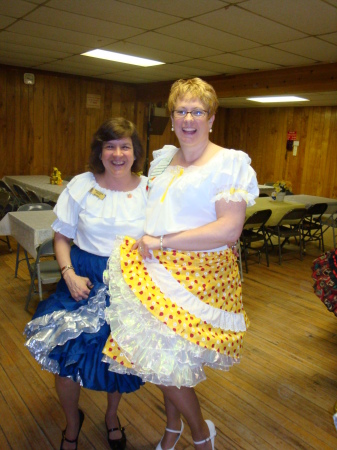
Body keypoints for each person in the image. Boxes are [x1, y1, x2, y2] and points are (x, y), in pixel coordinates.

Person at [102, 78, 259, 450]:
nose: (189, 118)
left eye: (198, 111)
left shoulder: (229, 163)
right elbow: (150, 206)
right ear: (171, 118)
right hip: (152, 269)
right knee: (159, 360)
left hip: (197, 277)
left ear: (212, 119)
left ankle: (202, 435)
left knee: (169, 364)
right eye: (181, 111)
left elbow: (229, 229)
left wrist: (162, 241)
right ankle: (173, 429)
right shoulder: (161, 158)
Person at [24, 117, 147, 450]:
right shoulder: (80, 185)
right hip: (81, 280)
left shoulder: (151, 191)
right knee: (66, 363)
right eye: (111, 146)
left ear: (136, 151)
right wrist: (68, 274)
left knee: (118, 361)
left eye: (125, 146)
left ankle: (111, 416)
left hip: (128, 285)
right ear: (100, 151)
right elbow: (61, 236)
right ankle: (71, 423)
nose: (118, 154)